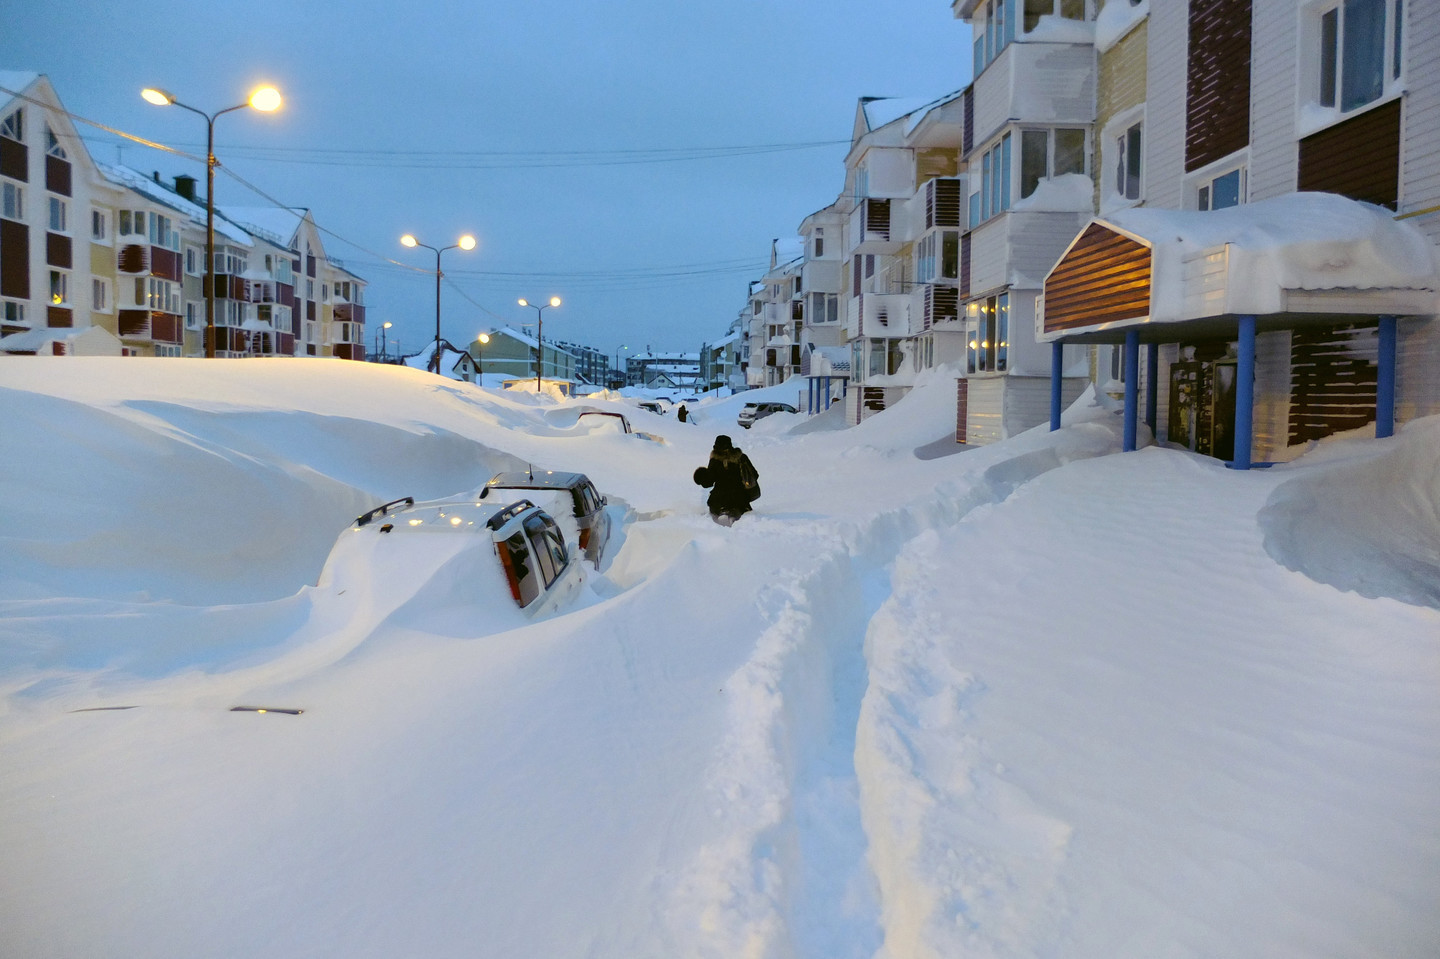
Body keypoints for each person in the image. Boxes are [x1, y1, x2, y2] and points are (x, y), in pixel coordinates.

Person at [694, 434, 759, 525]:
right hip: (741, 497)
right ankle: (733, 517)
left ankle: (721, 519)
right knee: (740, 508)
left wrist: (700, 475)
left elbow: (708, 482)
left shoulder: (715, 460)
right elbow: (755, 475)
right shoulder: (741, 457)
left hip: (719, 498)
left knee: (715, 507)